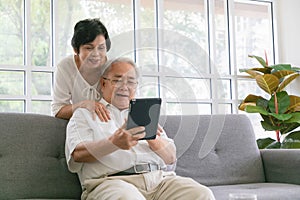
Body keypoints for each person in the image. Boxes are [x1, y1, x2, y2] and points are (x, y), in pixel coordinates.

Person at [65, 57, 216, 200]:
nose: (124, 87)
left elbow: (171, 158)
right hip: (113, 182)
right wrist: (114, 143)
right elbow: (78, 154)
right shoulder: (84, 114)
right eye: (117, 80)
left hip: (159, 180)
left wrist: (152, 139)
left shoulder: (145, 113)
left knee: (201, 194)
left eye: (131, 82)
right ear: (103, 84)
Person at [51, 18, 111, 121]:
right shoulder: (65, 67)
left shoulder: (114, 66)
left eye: (101, 48)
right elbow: (58, 110)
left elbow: (128, 105)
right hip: (80, 126)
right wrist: (84, 105)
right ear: (76, 49)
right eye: (89, 48)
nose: (96, 54)